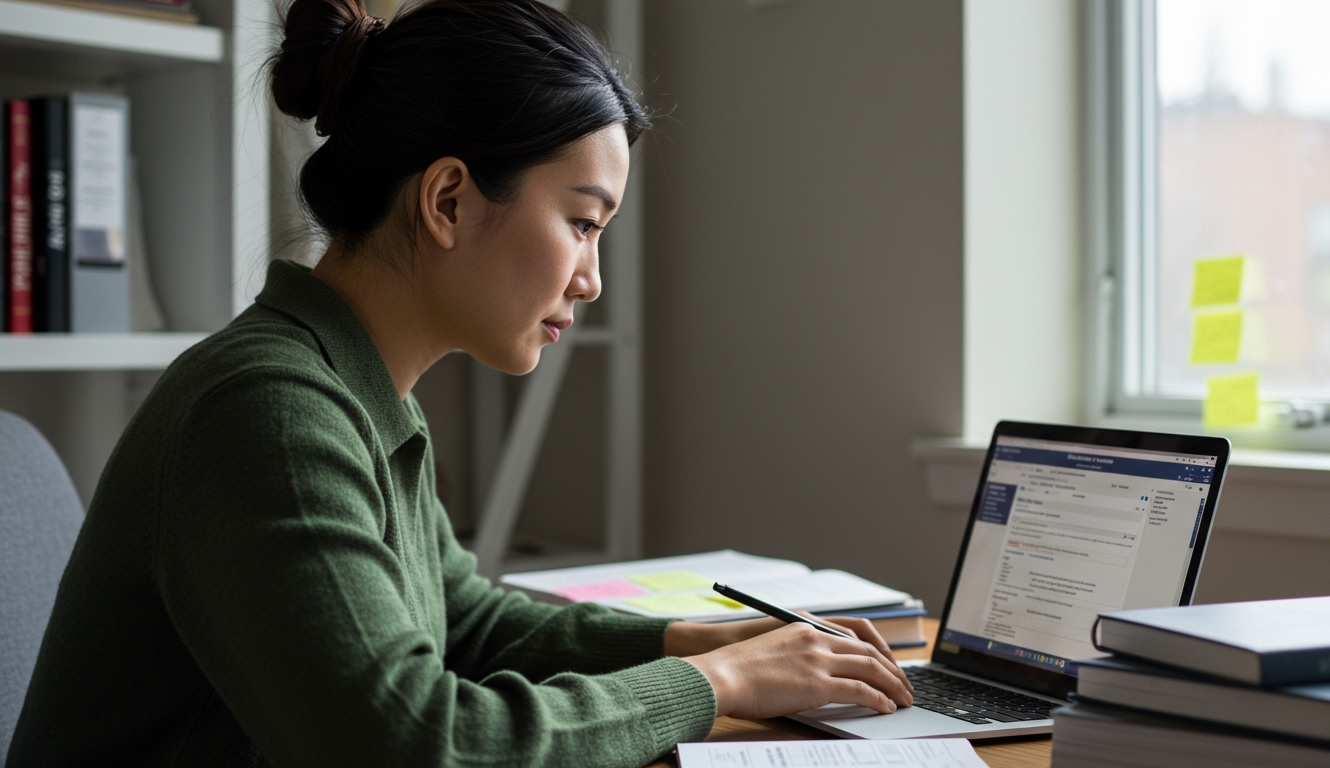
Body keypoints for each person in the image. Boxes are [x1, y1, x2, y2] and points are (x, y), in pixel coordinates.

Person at [6, 1, 913, 765]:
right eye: (582, 223)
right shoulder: (269, 414)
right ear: (447, 201)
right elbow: (410, 743)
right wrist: (713, 685)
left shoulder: (358, 391)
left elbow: (465, 624)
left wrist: (688, 642)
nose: (592, 280)